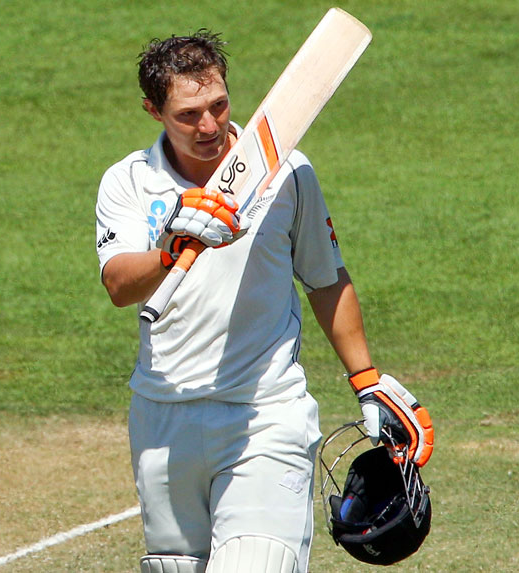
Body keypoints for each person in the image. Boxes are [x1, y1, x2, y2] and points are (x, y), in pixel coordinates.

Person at [95, 30, 433, 573]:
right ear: (152, 109)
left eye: (219, 105)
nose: (208, 126)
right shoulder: (128, 183)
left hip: (264, 414)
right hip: (162, 418)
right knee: (175, 566)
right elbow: (118, 284)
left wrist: (366, 379)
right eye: (188, 115)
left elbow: (325, 280)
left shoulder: (287, 171)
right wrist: (172, 247)